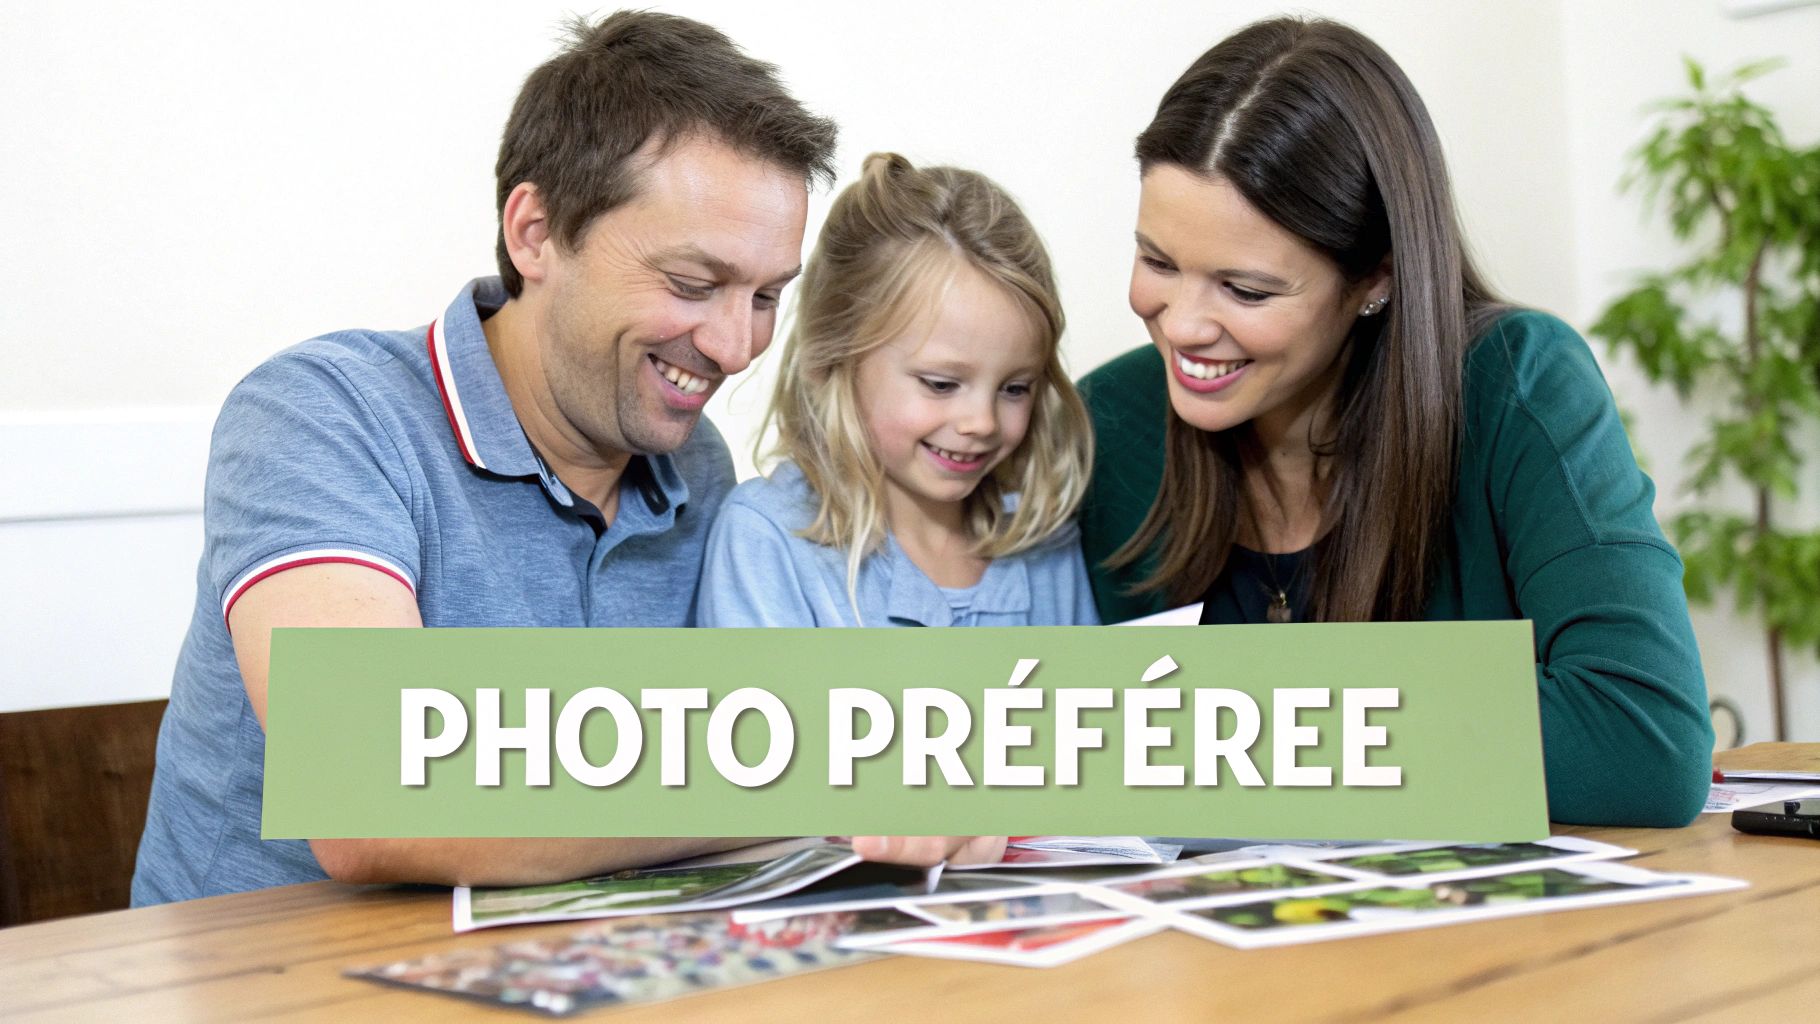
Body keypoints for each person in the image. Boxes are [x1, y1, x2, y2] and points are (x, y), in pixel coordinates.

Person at [133, 13, 994, 906]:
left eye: (767, 296)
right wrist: (836, 766)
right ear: (535, 231)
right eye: (693, 285)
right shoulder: (324, 413)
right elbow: (366, 788)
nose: (738, 346)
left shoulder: (696, 468)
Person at [1075, 17, 1712, 826]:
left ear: (1375, 279)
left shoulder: (1517, 384)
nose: (1184, 325)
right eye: (1158, 262)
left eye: (1246, 291)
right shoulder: (1110, 423)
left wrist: (1213, 727)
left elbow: (1644, 740)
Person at [697, 153, 1097, 629]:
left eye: (1015, 388)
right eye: (941, 384)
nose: (983, 422)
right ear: (833, 360)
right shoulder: (766, 538)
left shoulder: (1044, 542)